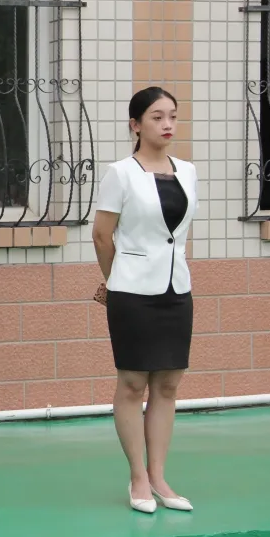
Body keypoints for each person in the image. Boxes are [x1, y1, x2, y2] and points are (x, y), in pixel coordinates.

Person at [91, 86, 199, 514]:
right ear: (135, 125)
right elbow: (102, 235)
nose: (167, 124)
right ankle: (137, 476)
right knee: (133, 384)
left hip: (178, 289)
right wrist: (115, 279)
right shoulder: (121, 173)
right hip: (131, 292)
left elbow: (178, 235)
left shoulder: (188, 171)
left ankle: (159, 476)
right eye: (157, 117)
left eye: (172, 115)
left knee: (168, 385)